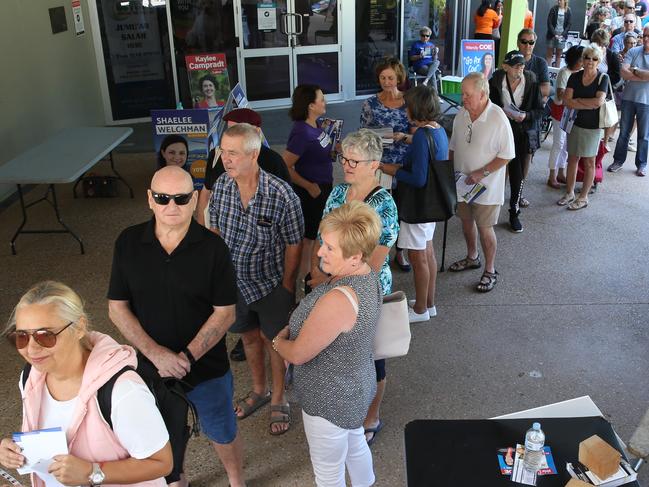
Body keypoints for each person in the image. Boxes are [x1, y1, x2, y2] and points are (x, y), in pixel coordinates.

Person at [108, 166, 245, 487]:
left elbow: (225, 313)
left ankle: (236, 478)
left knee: (221, 430)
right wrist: (158, 356)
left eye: (182, 198)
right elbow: (117, 308)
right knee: (161, 433)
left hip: (206, 366)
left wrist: (185, 357)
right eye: (162, 198)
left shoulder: (214, 249)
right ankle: (175, 478)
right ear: (149, 200)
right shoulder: (127, 243)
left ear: (195, 199)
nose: (172, 206)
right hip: (148, 368)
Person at [1, 281, 172, 487]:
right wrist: (16, 451)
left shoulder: (123, 390)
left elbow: (161, 463)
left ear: (79, 327)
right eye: (21, 337)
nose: (31, 349)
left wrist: (93, 472)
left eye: (45, 336)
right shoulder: (30, 377)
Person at [273, 201, 383, 487]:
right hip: (355, 387)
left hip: (329, 401)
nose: (319, 251)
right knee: (355, 442)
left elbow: (297, 354)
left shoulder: (339, 299)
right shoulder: (368, 274)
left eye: (330, 247)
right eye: (323, 242)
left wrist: (277, 342)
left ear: (355, 257)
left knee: (328, 473)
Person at [210, 124, 303, 435]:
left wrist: (287, 287)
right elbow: (216, 233)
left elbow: (294, 243)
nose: (225, 158)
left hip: (270, 284)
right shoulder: (222, 187)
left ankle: (279, 397)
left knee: (275, 342)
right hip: (234, 285)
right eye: (223, 151)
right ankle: (260, 390)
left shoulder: (281, 194)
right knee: (248, 337)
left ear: (254, 154)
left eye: (233, 153)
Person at [308, 129, 398, 446]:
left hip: (364, 293)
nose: (346, 165)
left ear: (374, 164)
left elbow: (372, 265)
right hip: (330, 287)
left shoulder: (384, 206)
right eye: (344, 157)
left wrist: (330, 283)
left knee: (372, 357)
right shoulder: (337, 194)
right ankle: (344, 408)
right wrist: (314, 276)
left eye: (354, 160)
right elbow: (320, 239)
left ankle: (370, 416)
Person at [380, 85, 448, 319]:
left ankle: (420, 310)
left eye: (408, 105)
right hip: (431, 204)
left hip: (417, 205)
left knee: (418, 257)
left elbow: (418, 178)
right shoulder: (437, 130)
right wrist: (407, 138)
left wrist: (390, 169)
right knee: (428, 252)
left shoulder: (421, 136)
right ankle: (428, 302)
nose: (405, 108)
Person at [448, 72, 515, 292]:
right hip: (461, 184)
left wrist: (481, 172)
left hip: (486, 189)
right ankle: (472, 257)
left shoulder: (498, 118)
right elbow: (453, 147)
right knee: (466, 222)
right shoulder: (462, 114)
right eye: (462, 94)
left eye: (467, 95)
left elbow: (507, 155)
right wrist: (450, 172)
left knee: (485, 229)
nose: (463, 99)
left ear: (483, 94)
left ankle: (490, 269)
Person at [359, 57, 412, 272]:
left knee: (402, 210)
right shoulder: (370, 103)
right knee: (380, 211)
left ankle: (400, 252)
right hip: (380, 165)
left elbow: (418, 131)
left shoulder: (411, 101)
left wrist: (403, 137)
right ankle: (380, 252)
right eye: (382, 77)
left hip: (404, 165)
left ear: (399, 78)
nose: (386, 81)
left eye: (390, 77)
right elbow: (362, 134)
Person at [196, 108, 290, 226]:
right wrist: (201, 228)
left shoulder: (273, 161)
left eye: (238, 130)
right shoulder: (216, 155)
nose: (226, 159)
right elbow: (206, 191)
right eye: (229, 129)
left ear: (256, 131)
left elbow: (287, 209)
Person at [488, 50, 544, 233]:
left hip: (521, 133)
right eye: (515, 65)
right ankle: (490, 207)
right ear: (505, 67)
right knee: (494, 169)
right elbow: (488, 103)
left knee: (517, 173)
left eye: (521, 65)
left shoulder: (531, 81)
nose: (520, 68)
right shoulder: (496, 81)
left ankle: (514, 212)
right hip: (500, 132)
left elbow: (540, 111)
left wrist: (525, 115)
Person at [282, 84, 334, 277]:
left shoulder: (316, 124)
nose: (324, 102)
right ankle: (305, 282)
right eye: (321, 99)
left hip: (323, 186)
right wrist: (309, 186)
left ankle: (313, 274)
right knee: (309, 240)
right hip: (311, 192)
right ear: (311, 105)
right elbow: (284, 165)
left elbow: (318, 149)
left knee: (317, 235)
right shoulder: (302, 132)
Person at [557, 45, 609, 210]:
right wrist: (587, 103)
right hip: (575, 124)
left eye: (594, 59)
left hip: (593, 127)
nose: (590, 62)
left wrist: (577, 102)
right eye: (587, 58)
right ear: (583, 59)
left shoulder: (603, 79)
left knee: (589, 162)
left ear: (599, 61)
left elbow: (598, 102)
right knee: (572, 159)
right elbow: (566, 101)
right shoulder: (574, 77)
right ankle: (570, 192)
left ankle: (584, 197)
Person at [608, 25, 649, 176]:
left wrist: (636, 70)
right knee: (624, 132)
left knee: (644, 135)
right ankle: (618, 160)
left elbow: (631, 72)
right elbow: (624, 73)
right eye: (644, 35)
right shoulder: (633, 51)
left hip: (646, 101)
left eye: (648, 36)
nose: (646, 39)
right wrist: (643, 76)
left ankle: (641, 164)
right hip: (628, 98)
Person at [517, 28, 551, 208]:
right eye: (524, 41)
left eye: (531, 42)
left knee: (526, 156)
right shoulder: (511, 58)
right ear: (518, 42)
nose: (527, 45)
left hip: (531, 116)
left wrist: (524, 91)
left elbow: (547, 89)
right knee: (505, 154)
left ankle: (519, 192)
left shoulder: (540, 63)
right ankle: (500, 191)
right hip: (511, 115)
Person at [547, 45, 585, 188]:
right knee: (558, 143)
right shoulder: (565, 72)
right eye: (582, 58)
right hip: (561, 110)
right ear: (575, 59)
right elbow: (561, 95)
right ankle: (552, 175)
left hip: (572, 111)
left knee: (566, 145)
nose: (584, 61)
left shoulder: (580, 72)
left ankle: (561, 172)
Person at [546, 0, 572, 67]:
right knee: (549, 54)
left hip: (561, 37)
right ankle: (547, 70)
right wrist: (555, 34)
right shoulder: (553, 9)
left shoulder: (568, 10)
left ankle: (556, 72)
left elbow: (569, 24)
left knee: (558, 55)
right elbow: (549, 23)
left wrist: (562, 35)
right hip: (552, 35)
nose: (559, 2)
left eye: (561, 0)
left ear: (565, 1)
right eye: (558, 0)